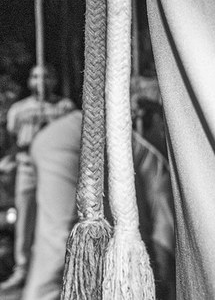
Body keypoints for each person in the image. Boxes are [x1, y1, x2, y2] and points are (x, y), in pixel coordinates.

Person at [21, 111, 174, 300]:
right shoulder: (154, 159)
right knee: (59, 240)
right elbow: (164, 231)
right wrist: (162, 285)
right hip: (71, 140)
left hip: (49, 140)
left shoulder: (139, 147)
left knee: (53, 235)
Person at [0, 65, 75, 290]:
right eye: (35, 76)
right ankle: (22, 267)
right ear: (29, 81)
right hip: (26, 163)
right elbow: (10, 138)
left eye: (46, 76)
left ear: (54, 80)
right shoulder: (19, 109)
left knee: (56, 218)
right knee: (24, 216)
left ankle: (60, 269)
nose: (41, 80)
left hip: (54, 167)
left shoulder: (65, 107)